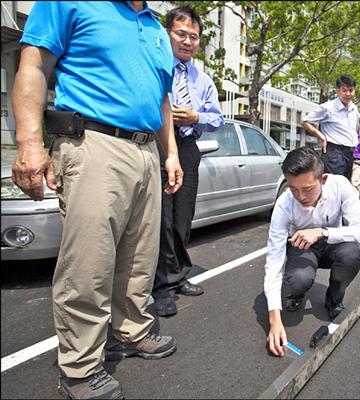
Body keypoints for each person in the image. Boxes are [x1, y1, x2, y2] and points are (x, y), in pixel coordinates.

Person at [11, 2, 183, 399]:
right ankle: (80, 368)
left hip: (145, 150)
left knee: (140, 257)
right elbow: (34, 66)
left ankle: (132, 331)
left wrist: (170, 152)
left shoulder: (156, 28)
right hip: (94, 141)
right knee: (89, 262)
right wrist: (29, 141)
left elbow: (162, 101)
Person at [152, 6, 225, 317]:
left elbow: (219, 119)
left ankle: (179, 274)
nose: (187, 41)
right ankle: (161, 286)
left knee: (183, 216)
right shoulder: (155, 65)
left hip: (188, 145)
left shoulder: (203, 80)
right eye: (181, 34)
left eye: (193, 37)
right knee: (162, 218)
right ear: (168, 33)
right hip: (156, 144)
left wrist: (197, 116)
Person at [264, 147, 360, 357]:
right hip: (302, 247)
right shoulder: (284, 204)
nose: (301, 196)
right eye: (293, 189)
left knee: (351, 255)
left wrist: (322, 232)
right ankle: (297, 292)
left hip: (333, 243)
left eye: (307, 188)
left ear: (323, 179)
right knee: (298, 279)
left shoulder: (340, 185)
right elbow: (274, 261)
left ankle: (333, 298)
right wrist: (274, 321)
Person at [302, 74, 360, 181]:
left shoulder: (354, 108)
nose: (348, 94)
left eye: (351, 90)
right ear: (337, 91)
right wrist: (321, 136)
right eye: (344, 90)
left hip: (349, 153)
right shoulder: (328, 107)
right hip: (334, 153)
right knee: (333, 187)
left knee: (345, 187)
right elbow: (305, 121)